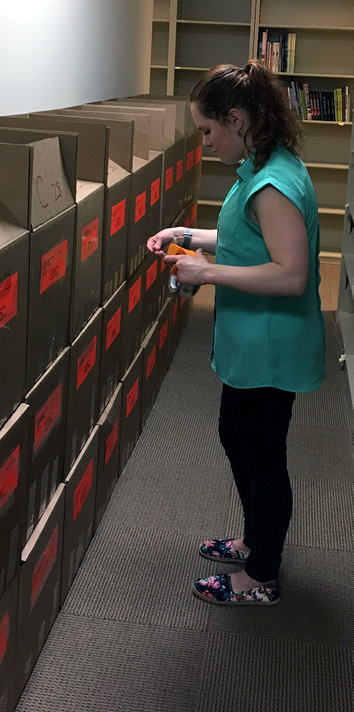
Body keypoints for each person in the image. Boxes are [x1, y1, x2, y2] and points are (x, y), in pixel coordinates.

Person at [147, 59, 326, 606]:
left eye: (207, 131)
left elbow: (290, 274)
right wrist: (189, 235)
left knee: (263, 456)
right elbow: (248, 239)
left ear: (236, 119)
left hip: (272, 348)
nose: (203, 144)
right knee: (237, 437)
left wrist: (205, 271)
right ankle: (255, 541)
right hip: (252, 344)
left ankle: (261, 577)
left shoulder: (272, 183)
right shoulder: (263, 166)